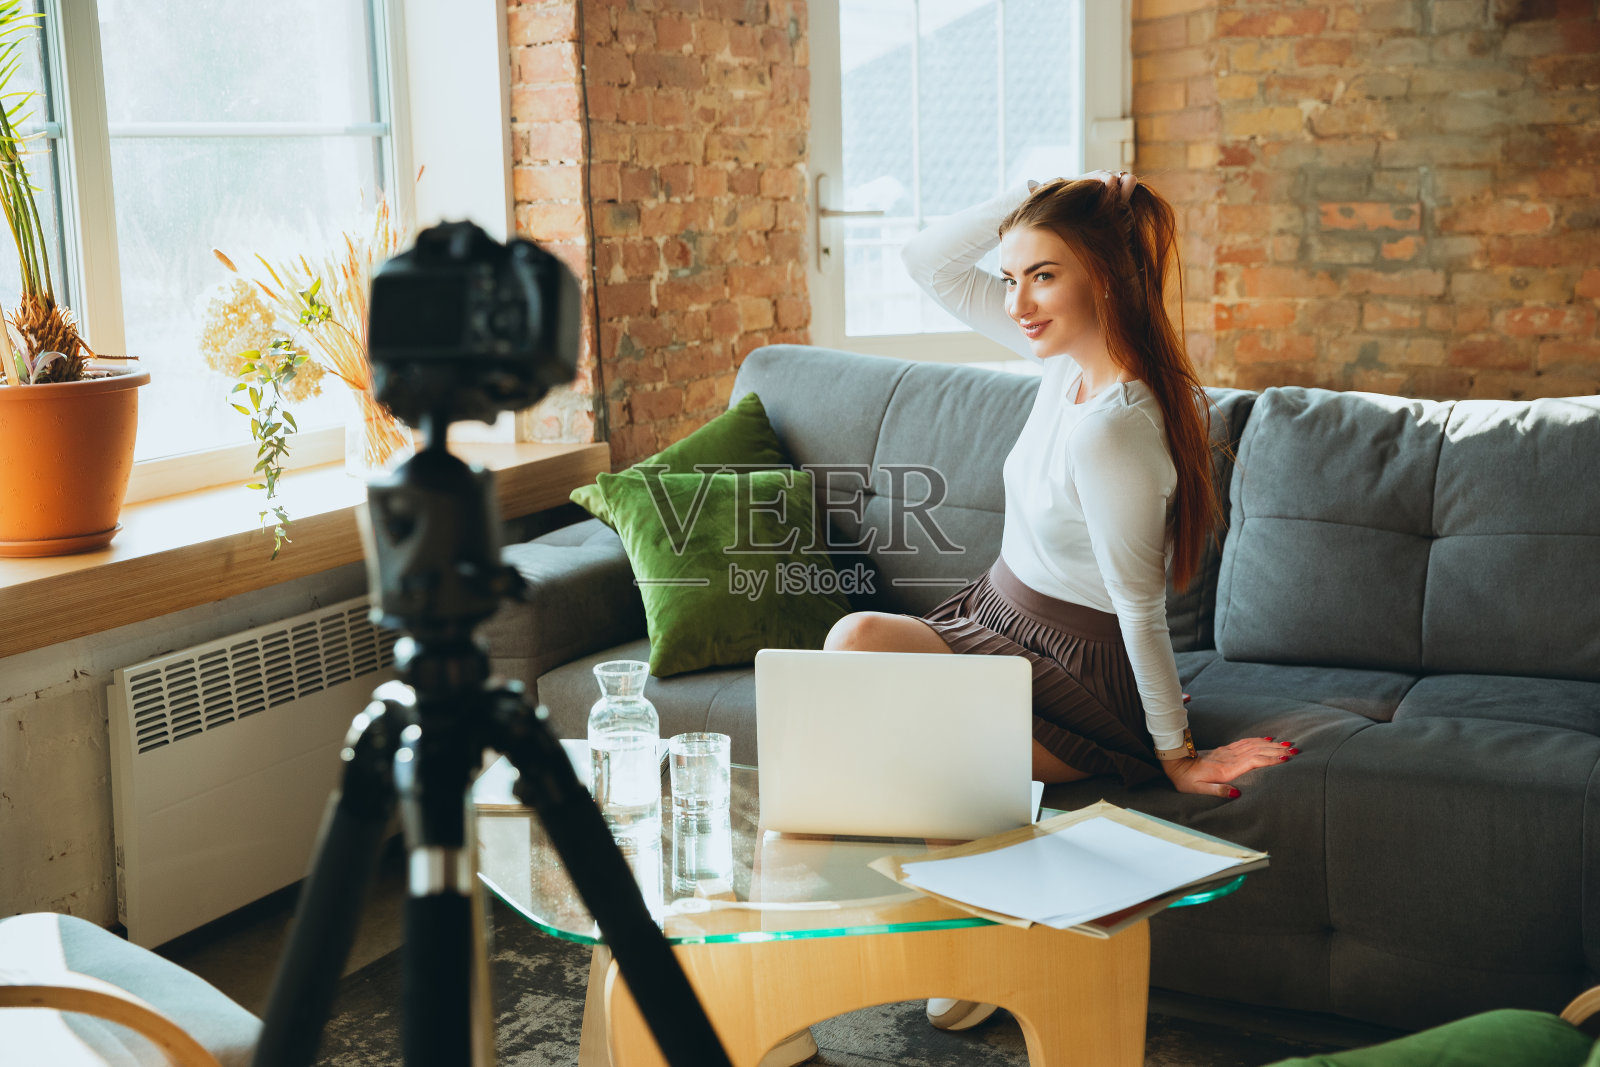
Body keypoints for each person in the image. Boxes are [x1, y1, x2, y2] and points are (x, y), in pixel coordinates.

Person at [822, 172, 1299, 1034]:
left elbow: (1139, 608)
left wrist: (1176, 754)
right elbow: (928, 261)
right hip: (989, 620)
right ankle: (974, 909)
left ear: (1106, 278)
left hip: (1072, 677)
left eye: (1043, 274)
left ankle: (972, 932)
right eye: (1011, 278)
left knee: (858, 646)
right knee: (848, 667)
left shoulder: (1114, 420)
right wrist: (1035, 192)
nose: (1018, 303)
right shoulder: (1057, 361)